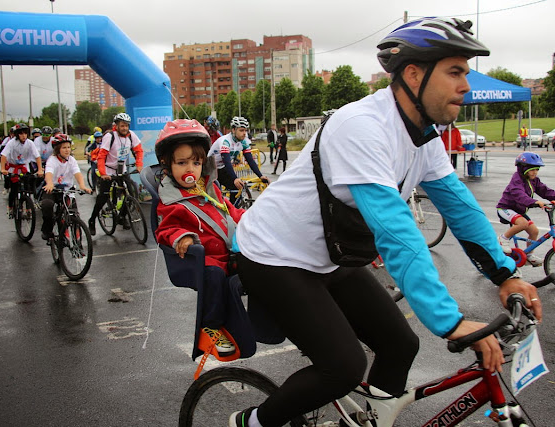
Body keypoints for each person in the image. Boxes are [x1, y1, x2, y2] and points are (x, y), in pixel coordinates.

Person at [228, 18, 541, 427]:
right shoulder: (362, 126)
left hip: (330, 253)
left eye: (466, 72)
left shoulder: (422, 134)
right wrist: (450, 321)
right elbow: (395, 231)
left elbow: (461, 209)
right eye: (455, 72)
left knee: (400, 344)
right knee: (341, 367)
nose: (466, 85)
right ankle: (251, 422)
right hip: (275, 255)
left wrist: (505, 273)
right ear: (413, 73)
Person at [154, 119, 246, 356]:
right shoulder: (172, 199)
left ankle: (254, 320)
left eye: (196, 162)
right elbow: (165, 228)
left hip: (227, 254)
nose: (190, 169)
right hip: (201, 262)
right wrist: (181, 236)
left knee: (259, 265)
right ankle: (211, 328)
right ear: (167, 164)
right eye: (182, 163)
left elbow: (228, 211)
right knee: (215, 277)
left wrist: (248, 218)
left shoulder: (209, 189)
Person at [87, 113, 144, 236]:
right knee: (102, 197)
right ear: (116, 126)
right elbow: (101, 156)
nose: (125, 128)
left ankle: (122, 216)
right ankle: (92, 220)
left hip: (121, 170)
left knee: (132, 193)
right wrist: (103, 174)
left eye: (127, 126)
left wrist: (139, 165)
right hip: (108, 171)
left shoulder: (131, 135)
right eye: (122, 125)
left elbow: (138, 150)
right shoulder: (109, 136)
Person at [496, 152, 555, 266]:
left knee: (534, 231)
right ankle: (503, 239)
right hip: (505, 209)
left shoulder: (534, 180)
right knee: (523, 223)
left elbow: (545, 191)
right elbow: (519, 195)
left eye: (537, 169)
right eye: (532, 169)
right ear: (523, 168)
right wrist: (534, 202)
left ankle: (529, 255)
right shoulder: (516, 180)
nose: (535, 172)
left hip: (519, 211)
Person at [40, 134, 92, 240]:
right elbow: (49, 173)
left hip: (67, 190)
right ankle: (47, 230)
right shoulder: (52, 160)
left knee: (74, 215)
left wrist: (82, 186)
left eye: (68, 147)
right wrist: (49, 183)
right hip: (53, 189)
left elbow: (77, 173)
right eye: (64, 147)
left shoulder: (71, 160)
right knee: (47, 205)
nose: (67, 150)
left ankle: (78, 243)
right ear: (57, 149)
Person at [209, 117, 268, 204]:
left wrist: (260, 176)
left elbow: (250, 160)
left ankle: (233, 211)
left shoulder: (244, 142)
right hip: (210, 169)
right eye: (241, 130)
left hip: (221, 168)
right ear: (233, 130)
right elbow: (227, 162)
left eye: (246, 130)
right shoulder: (225, 141)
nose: (244, 133)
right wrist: (235, 178)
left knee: (237, 187)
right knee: (215, 194)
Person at [0, 123, 43, 216]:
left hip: (24, 167)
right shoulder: (12, 143)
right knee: (14, 189)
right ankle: (11, 207)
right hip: (13, 167)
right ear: (17, 134)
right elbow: (3, 155)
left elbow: (37, 156)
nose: (23, 136)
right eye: (21, 134)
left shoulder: (30, 143)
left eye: (25, 133)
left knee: (28, 186)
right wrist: (3, 168)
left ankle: (28, 207)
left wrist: (40, 170)